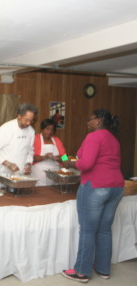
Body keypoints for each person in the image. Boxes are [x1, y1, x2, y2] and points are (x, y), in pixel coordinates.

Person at [61, 109, 124, 283]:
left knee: (88, 230)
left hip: (96, 186)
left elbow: (85, 163)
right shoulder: (113, 138)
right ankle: (104, 269)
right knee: (104, 229)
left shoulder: (94, 137)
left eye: (89, 120)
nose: (87, 123)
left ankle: (81, 271)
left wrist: (70, 163)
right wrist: (77, 157)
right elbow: (83, 154)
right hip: (117, 187)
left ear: (98, 121)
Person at [0, 103, 38, 188]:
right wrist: (8, 164)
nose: (29, 123)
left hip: (21, 176)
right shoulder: (6, 128)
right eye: (26, 120)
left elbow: (30, 151)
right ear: (19, 116)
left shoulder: (31, 131)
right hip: (4, 175)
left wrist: (29, 163)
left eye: (31, 120)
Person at [31, 118, 66, 186]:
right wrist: (44, 157)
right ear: (42, 129)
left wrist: (60, 159)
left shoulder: (57, 140)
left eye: (52, 129)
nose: (50, 131)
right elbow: (32, 158)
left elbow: (65, 156)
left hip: (54, 177)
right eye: (47, 129)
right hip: (39, 176)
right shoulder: (36, 139)